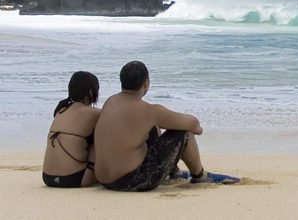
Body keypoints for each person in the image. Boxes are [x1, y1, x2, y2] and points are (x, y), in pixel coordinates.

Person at [94, 60, 239, 191]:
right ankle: (200, 176)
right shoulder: (149, 111)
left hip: (104, 180)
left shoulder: (110, 102)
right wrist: (197, 129)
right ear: (146, 83)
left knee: (150, 127)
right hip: (131, 181)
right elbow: (193, 124)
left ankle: (175, 173)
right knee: (184, 133)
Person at [43, 71, 101, 188]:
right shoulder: (94, 113)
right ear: (90, 91)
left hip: (47, 178)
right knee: (100, 139)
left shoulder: (60, 110)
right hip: (74, 179)